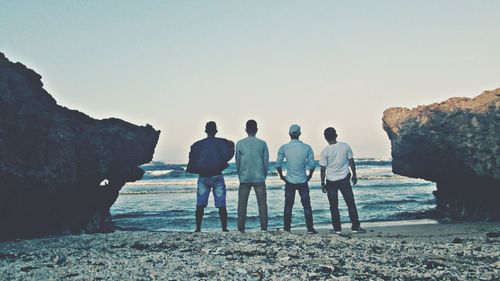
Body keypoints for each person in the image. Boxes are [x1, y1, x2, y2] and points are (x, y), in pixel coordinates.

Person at [186, 121, 235, 232]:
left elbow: (192, 159)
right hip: (217, 176)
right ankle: (224, 228)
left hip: (203, 177)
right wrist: (232, 148)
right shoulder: (222, 142)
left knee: (200, 204)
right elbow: (227, 156)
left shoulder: (197, 144)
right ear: (216, 131)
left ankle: (198, 229)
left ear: (205, 131)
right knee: (221, 204)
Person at [319, 127, 366, 234]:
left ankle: (337, 229)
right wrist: (354, 174)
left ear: (325, 138)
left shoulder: (324, 152)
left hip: (331, 181)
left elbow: (323, 169)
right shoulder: (345, 146)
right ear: (336, 135)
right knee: (350, 203)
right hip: (344, 179)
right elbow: (351, 161)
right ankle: (355, 227)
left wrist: (322, 183)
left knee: (333, 206)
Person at [276, 124, 317, 234]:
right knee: (306, 205)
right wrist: (310, 175)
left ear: (289, 134)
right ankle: (310, 228)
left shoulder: (284, 147)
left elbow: (278, 164)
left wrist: (281, 176)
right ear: (300, 134)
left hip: (290, 181)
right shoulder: (307, 147)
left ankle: (287, 229)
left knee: (288, 205)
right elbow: (312, 164)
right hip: (303, 180)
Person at [235, 120, 269, 233]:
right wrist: (264, 175)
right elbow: (266, 162)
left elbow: (238, 162)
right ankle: (263, 228)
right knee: (262, 204)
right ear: (257, 130)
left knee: (242, 204)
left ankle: (241, 228)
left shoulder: (240, 143)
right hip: (259, 177)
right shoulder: (262, 143)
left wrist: (240, 175)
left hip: (245, 178)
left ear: (246, 130)